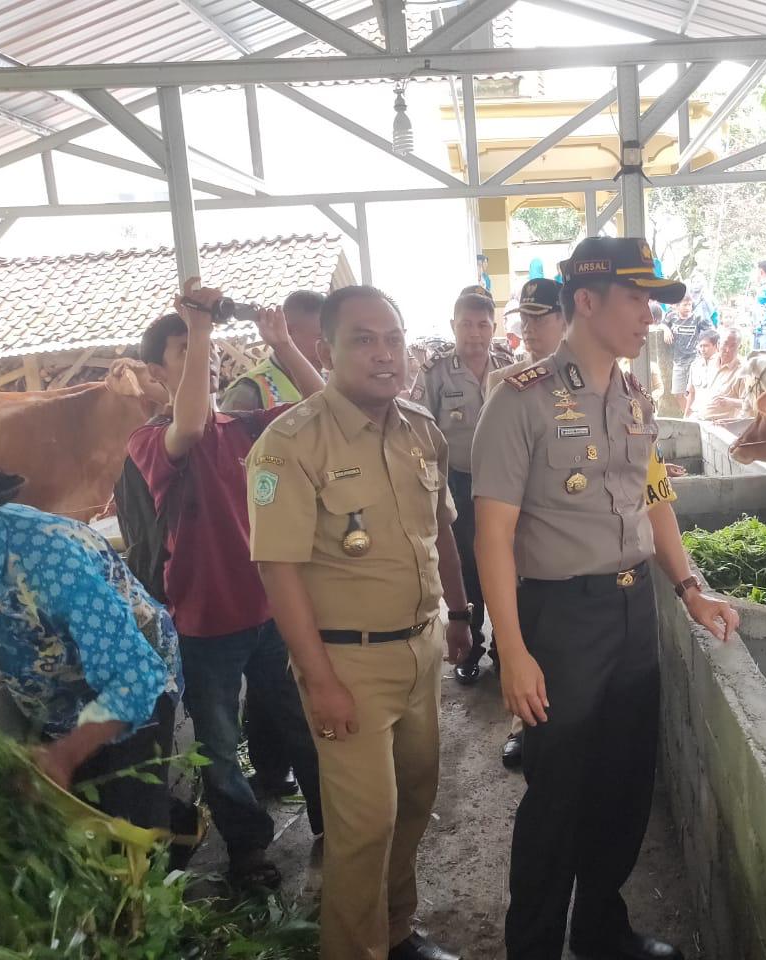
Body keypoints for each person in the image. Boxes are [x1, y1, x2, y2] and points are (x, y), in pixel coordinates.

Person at [472, 236, 739, 960]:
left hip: (631, 614)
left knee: (624, 785)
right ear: (585, 302)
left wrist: (689, 588)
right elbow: (492, 536)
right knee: (557, 795)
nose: (650, 315)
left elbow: (653, 499)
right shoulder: (519, 400)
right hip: (561, 620)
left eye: (653, 301)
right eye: (636, 298)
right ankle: (532, 947)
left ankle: (600, 930)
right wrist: (514, 653)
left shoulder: (630, 395)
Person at [247, 285, 471, 960]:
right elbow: (276, 570)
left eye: (393, 338)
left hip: (422, 648)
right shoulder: (287, 445)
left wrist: (460, 615)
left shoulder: (419, 429)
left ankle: (397, 929)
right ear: (326, 351)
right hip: (346, 663)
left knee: (415, 800)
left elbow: (442, 531)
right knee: (364, 823)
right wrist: (319, 681)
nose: (383, 354)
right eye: (363, 340)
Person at [127, 283, 326, 889]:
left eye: (205, 349)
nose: (201, 356)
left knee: (303, 723)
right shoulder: (150, 441)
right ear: (157, 372)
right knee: (217, 745)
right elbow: (189, 422)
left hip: (268, 613)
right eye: (182, 351)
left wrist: (284, 344)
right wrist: (202, 324)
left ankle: (335, 825)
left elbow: (327, 405)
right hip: (203, 623)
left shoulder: (244, 429)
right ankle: (247, 848)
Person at [0, 429, 181, 830]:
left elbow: (137, 676)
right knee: (82, 809)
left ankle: (170, 831)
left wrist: (63, 755)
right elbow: (3, 610)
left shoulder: (52, 561)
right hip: (59, 689)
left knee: (129, 827)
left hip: (130, 688)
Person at [220, 288, 326, 800]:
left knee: (286, 665)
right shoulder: (253, 390)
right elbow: (229, 470)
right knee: (276, 670)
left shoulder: (321, 382)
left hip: (315, 540)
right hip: (270, 544)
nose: (324, 347)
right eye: (317, 336)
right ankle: (269, 765)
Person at [485, 277, 568, 772]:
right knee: (517, 632)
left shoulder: (605, 381)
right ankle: (521, 725)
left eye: (541, 318)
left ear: (566, 319)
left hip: (572, 543)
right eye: (525, 318)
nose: (530, 328)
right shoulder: (505, 385)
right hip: (520, 534)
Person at [409, 292, 507, 685]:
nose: (475, 333)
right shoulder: (434, 373)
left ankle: (505, 647)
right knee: (464, 565)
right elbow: (418, 428)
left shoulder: (508, 367)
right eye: (466, 324)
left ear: (493, 328)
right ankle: (470, 648)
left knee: (504, 563)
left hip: (501, 484)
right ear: (453, 326)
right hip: (457, 483)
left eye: (483, 325)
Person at [222, 290, 326, 412]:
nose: (329, 347)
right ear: (287, 331)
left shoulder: (332, 381)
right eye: (321, 338)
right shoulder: (248, 390)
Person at [660, 293, 715, 411]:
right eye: (685, 305)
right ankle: (689, 415)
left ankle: (695, 415)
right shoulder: (671, 316)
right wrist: (666, 329)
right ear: (677, 306)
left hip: (694, 360)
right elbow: (663, 323)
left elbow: (711, 333)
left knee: (693, 391)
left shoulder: (697, 318)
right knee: (677, 393)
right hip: (678, 361)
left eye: (690, 305)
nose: (688, 308)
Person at [686, 327, 746, 422]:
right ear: (718, 344)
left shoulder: (743, 371)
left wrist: (731, 402)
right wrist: (686, 415)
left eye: (733, 346)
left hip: (721, 426)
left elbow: (750, 404)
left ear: (740, 347)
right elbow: (693, 392)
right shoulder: (708, 362)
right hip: (697, 418)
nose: (727, 350)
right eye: (725, 344)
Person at [683, 328, 719, 418]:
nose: (703, 349)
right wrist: (686, 415)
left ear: (716, 346)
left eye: (706, 346)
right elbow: (691, 393)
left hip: (716, 416)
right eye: (701, 346)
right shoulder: (695, 365)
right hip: (697, 413)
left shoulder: (722, 366)